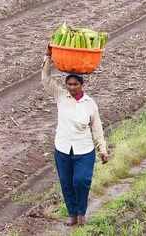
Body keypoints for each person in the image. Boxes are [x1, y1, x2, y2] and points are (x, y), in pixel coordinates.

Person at [42, 45, 109, 226]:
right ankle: (73, 215)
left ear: (82, 85)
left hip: (84, 151)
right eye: (69, 84)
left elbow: (97, 128)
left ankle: (82, 212)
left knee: (81, 181)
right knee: (66, 183)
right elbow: (46, 79)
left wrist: (102, 149)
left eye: (75, 84)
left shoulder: (90, 104)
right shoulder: (61, 96)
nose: (71, 87)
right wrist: (48, 57)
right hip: (62, 149)